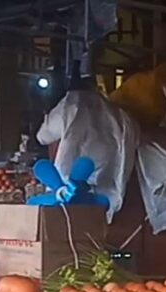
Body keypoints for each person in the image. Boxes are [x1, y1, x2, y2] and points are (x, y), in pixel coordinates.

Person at [36, 72, 140, 221]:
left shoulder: (70, 105)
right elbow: (135, 139)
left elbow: (42, 136)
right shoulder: (121, 115)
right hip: (107, 194)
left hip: (66, 190)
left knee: (67, 225)